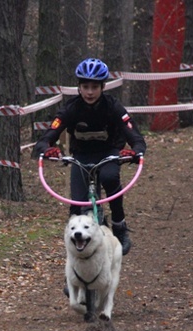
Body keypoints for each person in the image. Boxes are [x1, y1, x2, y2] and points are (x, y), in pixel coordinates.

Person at [32, 58, 147, 256]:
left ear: (103, 87)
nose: (90, 92)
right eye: (85, 87)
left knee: (110, 178)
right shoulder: (71, 108)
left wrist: (136, 150)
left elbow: (134, 134)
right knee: (77, 209)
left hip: (108, 153)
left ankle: (119, 225)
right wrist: (46, 148)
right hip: (81, 156)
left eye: (95, 87)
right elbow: (47, 136)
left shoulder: (113, 107)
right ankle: (74, 272)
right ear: (79, 87)